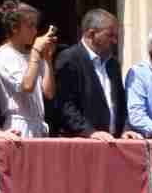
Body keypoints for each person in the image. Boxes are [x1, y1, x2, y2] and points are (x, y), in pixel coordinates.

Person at [52, 8, 125, 138]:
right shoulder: (70, 58)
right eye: (110, 35)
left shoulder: (112, 64)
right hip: (83, 142)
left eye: (116, 36)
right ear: (91, 34)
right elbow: (65, 105)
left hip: (112, 141)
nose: (115, 41)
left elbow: (120, 104)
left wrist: (126, 130)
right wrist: (90, 132)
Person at [0, 0, 57, 136]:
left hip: (38, 126)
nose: (35, 31)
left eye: (35, 26)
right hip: (19, 127)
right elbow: (26, 85)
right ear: (15, 28)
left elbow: (49, 93)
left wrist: (48, 59)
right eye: (30, 26)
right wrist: (36, 51)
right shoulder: (4, 55)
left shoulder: (31, 55)